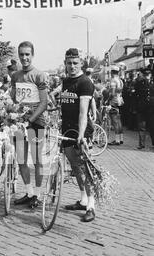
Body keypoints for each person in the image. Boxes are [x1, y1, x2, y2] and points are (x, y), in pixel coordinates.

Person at [11, 41, 48, 208]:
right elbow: (13, 99)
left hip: (35, 122)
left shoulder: (39, 75)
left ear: (32, 55)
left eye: (27, 54)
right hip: (19, 122)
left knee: (37, 160)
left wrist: (30, 120)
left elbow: (44, 103)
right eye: (21, 54)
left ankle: (38, 195)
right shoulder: (15, 76)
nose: (24, 57)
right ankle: (29, 192)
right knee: (21, 159)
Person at [60, 48, 95, 222]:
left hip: (81, 130)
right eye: (69, 63)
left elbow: (83, 112)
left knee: (84, 168)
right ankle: (83, 199)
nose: (72, 66)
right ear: (65, 63)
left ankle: (91, 205)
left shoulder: (85, 82)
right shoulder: (65, 81)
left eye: (75, 63)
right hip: (66, 128)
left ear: (81, 63)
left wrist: (81, 135)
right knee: (74, 166)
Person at [134, 67, 152, 149]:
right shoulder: (149, 83)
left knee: (142, 126)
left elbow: (136, 95)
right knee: (150, 126)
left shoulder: (138, 82)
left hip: (142, 106)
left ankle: (141, 144)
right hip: (150, 107)